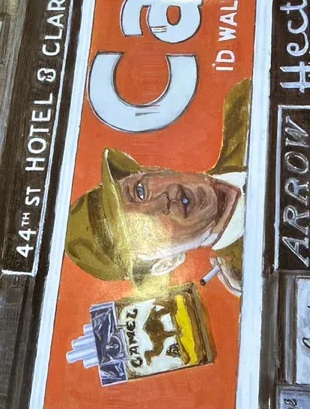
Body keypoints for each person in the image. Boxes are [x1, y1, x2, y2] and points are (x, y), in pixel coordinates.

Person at [65, 78, 250, 296]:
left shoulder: (244, 106)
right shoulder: (249, 276)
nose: (161, 202)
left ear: (153, 169)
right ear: (166, 263)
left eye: (139, 192)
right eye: (145, 231)